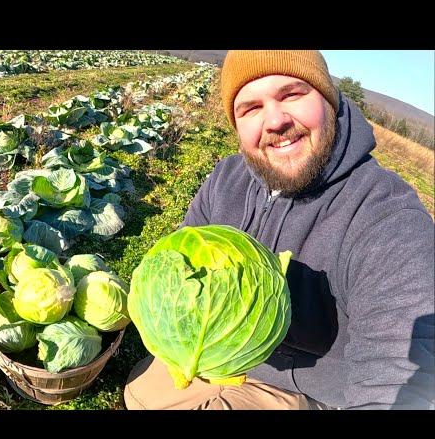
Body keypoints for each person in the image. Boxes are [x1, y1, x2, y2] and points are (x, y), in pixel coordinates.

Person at [124, 50, 435, 410]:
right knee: (137, 393)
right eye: (251, 108)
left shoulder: (387, 217)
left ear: (328, 100)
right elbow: (172, 267)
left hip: (304, 388)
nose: (275, 121)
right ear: (236, 123)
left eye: (292, 94)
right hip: (219, 354)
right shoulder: (227, 178)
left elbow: (402, 375)